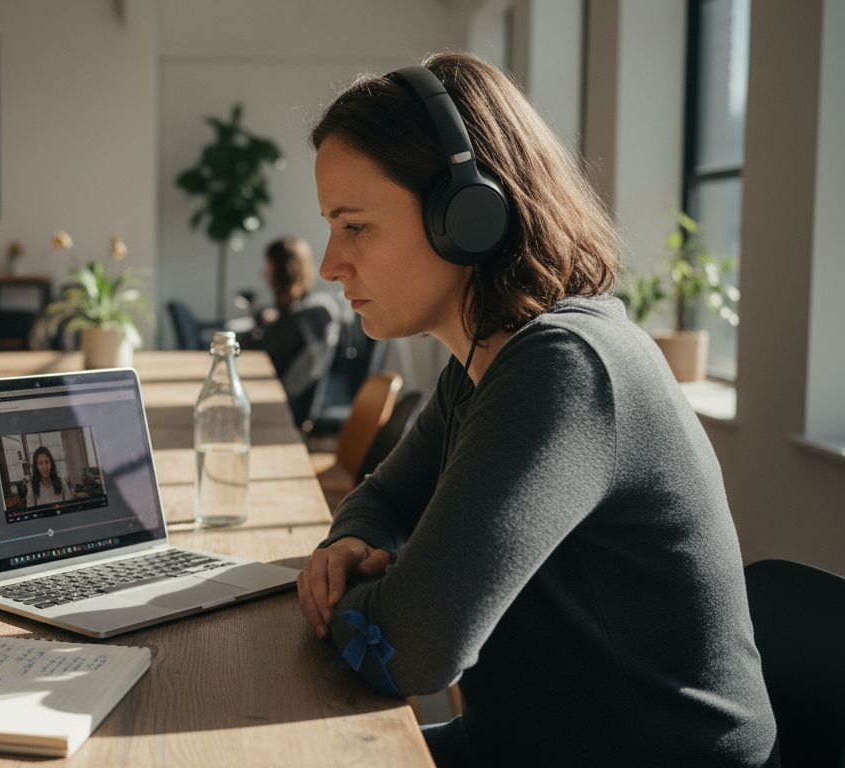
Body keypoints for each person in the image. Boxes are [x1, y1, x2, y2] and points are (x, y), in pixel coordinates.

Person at [297, 52, 777, 767]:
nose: (331, 263)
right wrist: (347, 549)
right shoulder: (485, 361)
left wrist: (343, 597)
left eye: (355, 226)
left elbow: (411, 653)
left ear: (466, 215)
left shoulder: (562, 367)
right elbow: (382, 497)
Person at [251, 237, 341, 426]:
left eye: (269, 266)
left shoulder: (304, 318)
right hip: (300, 397)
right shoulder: (312, 308)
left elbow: (265, 354)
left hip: (287, 405)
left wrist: (262, 323)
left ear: (280, 270)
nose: (265, 273)